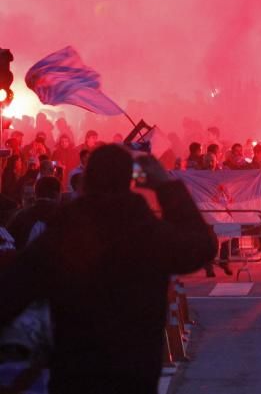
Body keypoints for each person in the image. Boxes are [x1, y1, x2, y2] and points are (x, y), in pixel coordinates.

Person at [0, 145, 216, 393]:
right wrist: (165, 186)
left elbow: (11, 291)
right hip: (135, 373)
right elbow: (201, 246)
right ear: (130, 180)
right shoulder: (145, 233)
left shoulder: (64, 233)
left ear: (86, 180)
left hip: (75, 372)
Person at [7, 176, 61, 250]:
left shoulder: (20, 217)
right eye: (26, 194)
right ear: (57, 194)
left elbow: (7, 243)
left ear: (36, 194)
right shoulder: (64, 217)